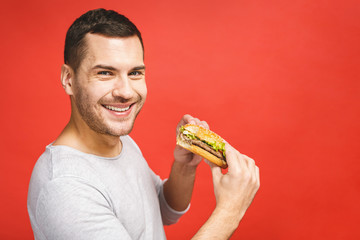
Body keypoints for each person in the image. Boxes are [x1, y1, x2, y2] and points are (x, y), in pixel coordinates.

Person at [27, 8, 260, 240]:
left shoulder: (118, 139)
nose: (126, 92)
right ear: (69, 79)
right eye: (106, 73)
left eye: (135, 73)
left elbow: (163, 211)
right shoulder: (65, 188)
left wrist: (184, 167)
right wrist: (230, 211)